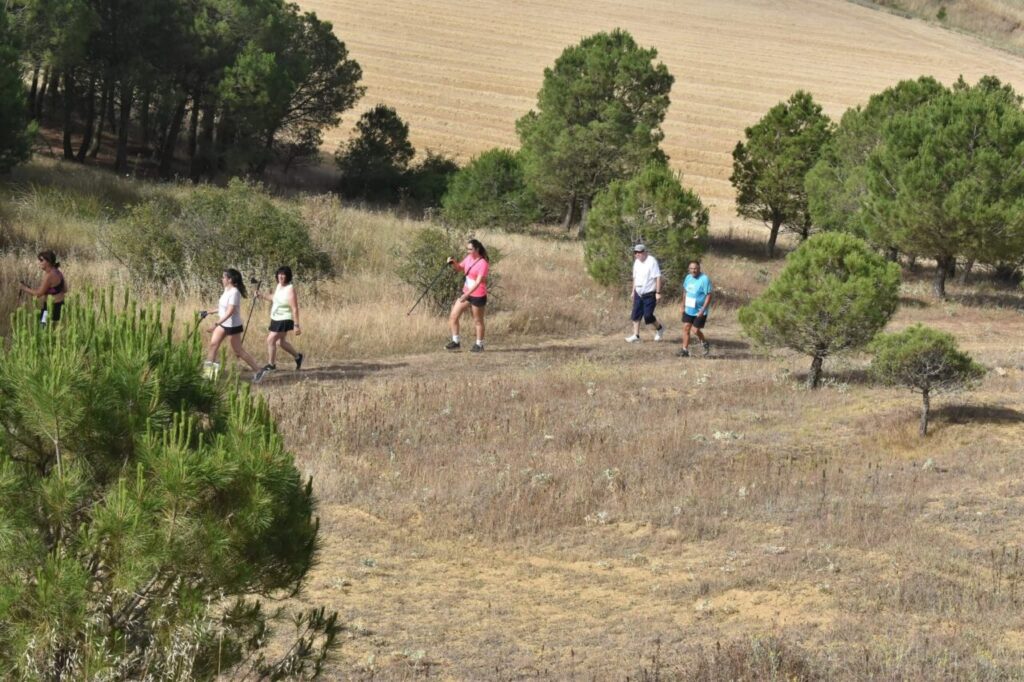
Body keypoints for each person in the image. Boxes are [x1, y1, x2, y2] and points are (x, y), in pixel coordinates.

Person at [203, 269, 266, 382]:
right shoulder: (226, 290)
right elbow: (223, 308)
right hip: (223, 324)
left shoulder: (235, 292)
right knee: (213, 346)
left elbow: (230, 311)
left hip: (232, 325)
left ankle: (258, 371)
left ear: (230, 279)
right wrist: (209, 312)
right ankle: (208, 376)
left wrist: (216, 324)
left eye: (224, 277)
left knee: (238, 351)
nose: (222, 279)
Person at [256, 265, 304, 374]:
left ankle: (271, 365)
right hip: (275, 318)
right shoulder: (279, 286)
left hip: (284, 318)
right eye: (279, 274)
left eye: (283, 274)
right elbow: (274, 298)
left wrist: (296, 325)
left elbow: (295, 308)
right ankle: (298, 357)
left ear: (287, 276)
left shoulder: (290, 288)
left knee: (270, 339)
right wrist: (261, 295)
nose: (280, 276)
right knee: (280, 342)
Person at [445, 238, 490, 352]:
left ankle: (479, 345)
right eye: (467, 249)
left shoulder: (483, 263)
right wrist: (453, 263)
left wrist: (467, 295)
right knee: (453, 316)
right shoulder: (469, 258)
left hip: (478, 294)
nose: (468, 251)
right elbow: (460, 268)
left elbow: (478, 281)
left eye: (470, 249)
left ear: (477, 249)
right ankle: (456, 342)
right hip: (467, 293)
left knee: (478, 321)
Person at [625, 244, 665, 343]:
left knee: (648, 316)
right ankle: (636, 335)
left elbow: (658, 277)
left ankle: (659, 328)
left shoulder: (652, 261)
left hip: (650, 293)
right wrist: (633, 291)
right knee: (635, 314)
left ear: (645, 252)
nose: (637, 254)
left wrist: (658, 292)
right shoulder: (636, 263)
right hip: (638, 292)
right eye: (635, 252)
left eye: (639, 252)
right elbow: (635, 277)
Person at [20, 250, 67, 325]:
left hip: (50, 307)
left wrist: (24, 288)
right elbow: (65, 289)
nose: (39, 262)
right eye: (39, 260)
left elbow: (38, 294)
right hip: (60, 305)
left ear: (48, 262)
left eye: (41, 260)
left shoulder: (49, 276)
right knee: (53, 329)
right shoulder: (57, 272)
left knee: (43, 328)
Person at [677, 259, 712, 357]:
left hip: (700, 310)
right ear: (689, 269)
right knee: (686, 328)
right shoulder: (688, 277)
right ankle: (685, 350)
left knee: (695, 330)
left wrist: (703, 309)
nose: (693, 270)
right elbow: (685, 292)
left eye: (695, 268)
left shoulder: (704, 279)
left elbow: (709, 295)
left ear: (699, 268)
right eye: (691, 268)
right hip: (689, 309)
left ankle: (704, 343)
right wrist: (682, 305)